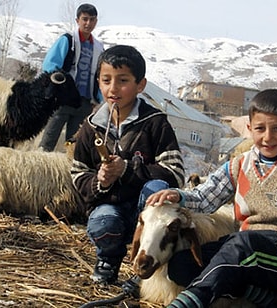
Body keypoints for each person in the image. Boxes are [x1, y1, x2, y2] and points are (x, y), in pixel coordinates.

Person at [145, 89, 277, 307]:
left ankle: (189, 302)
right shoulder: (239, 164)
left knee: (242, 244)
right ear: (249, 129)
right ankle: (266, 297)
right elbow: (206, 198)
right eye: (260, 128)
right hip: (246, 251)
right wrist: (178, 196)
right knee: (182, 264)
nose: (268, 137)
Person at [71, 45, 185, 284]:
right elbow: (78, 172)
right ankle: (108, 260)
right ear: (98, 82)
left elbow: (175, 174)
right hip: (109, 207)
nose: (113, 88)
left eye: (123, 80)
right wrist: (100, 181)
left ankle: (146, 268)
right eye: (106, 80)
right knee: (105, 222)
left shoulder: (155, 123)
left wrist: (128, 170)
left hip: (147, 211)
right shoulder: (91, 126)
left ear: (140, 85)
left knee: (157, 188)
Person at [40, 3, 104, 152]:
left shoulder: (99, 47)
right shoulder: (68, 40)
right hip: (63, 99)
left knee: (75, 145)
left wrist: (98, 99)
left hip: (84, 103)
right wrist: (60, 86)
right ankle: (40, 170)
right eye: (85, 19)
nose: (88, 23)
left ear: (96, 21)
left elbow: (100, 75)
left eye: (92, 20)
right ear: (77, 20)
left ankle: (70, 173)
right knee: (49, 139)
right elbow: (50, 64)